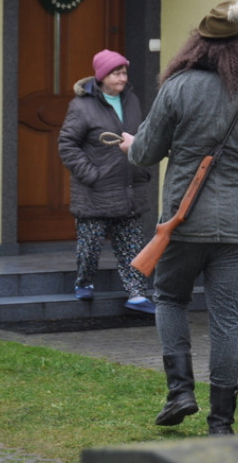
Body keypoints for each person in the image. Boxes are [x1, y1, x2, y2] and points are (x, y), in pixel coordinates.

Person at [119, 0, 238, 436]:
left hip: (182, 221)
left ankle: (180, 391)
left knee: (171, 298)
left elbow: (145, 153)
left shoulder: (178, 87)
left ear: (199, 44)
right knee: (227, 319)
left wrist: (129, 145)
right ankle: (222, 425)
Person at [58, 49, 156, 314]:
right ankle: (84, 281)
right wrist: (92, 175)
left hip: (130, 188)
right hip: (96, 191)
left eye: (124, 72)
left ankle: (136, 294)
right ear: (102, 76)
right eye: (116, 72)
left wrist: (142, 167)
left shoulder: (132, 100)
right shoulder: (82, 106)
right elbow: (67, 145)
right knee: (90, 247)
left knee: (133, 246)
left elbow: (142, 134)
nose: (123, 77)